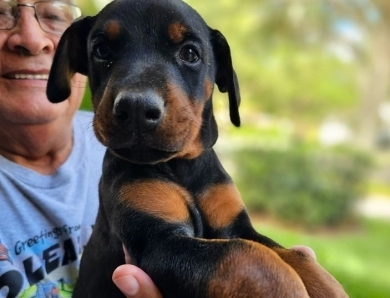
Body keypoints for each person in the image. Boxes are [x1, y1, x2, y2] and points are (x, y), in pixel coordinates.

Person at [0, 0, 318, 297]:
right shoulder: (123, 172)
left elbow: (241, 236)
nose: (138, 98)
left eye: (190, 53)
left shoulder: (208, 168)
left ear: (218, 77)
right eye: (103, 51)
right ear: (75, 62)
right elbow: (161, 252)